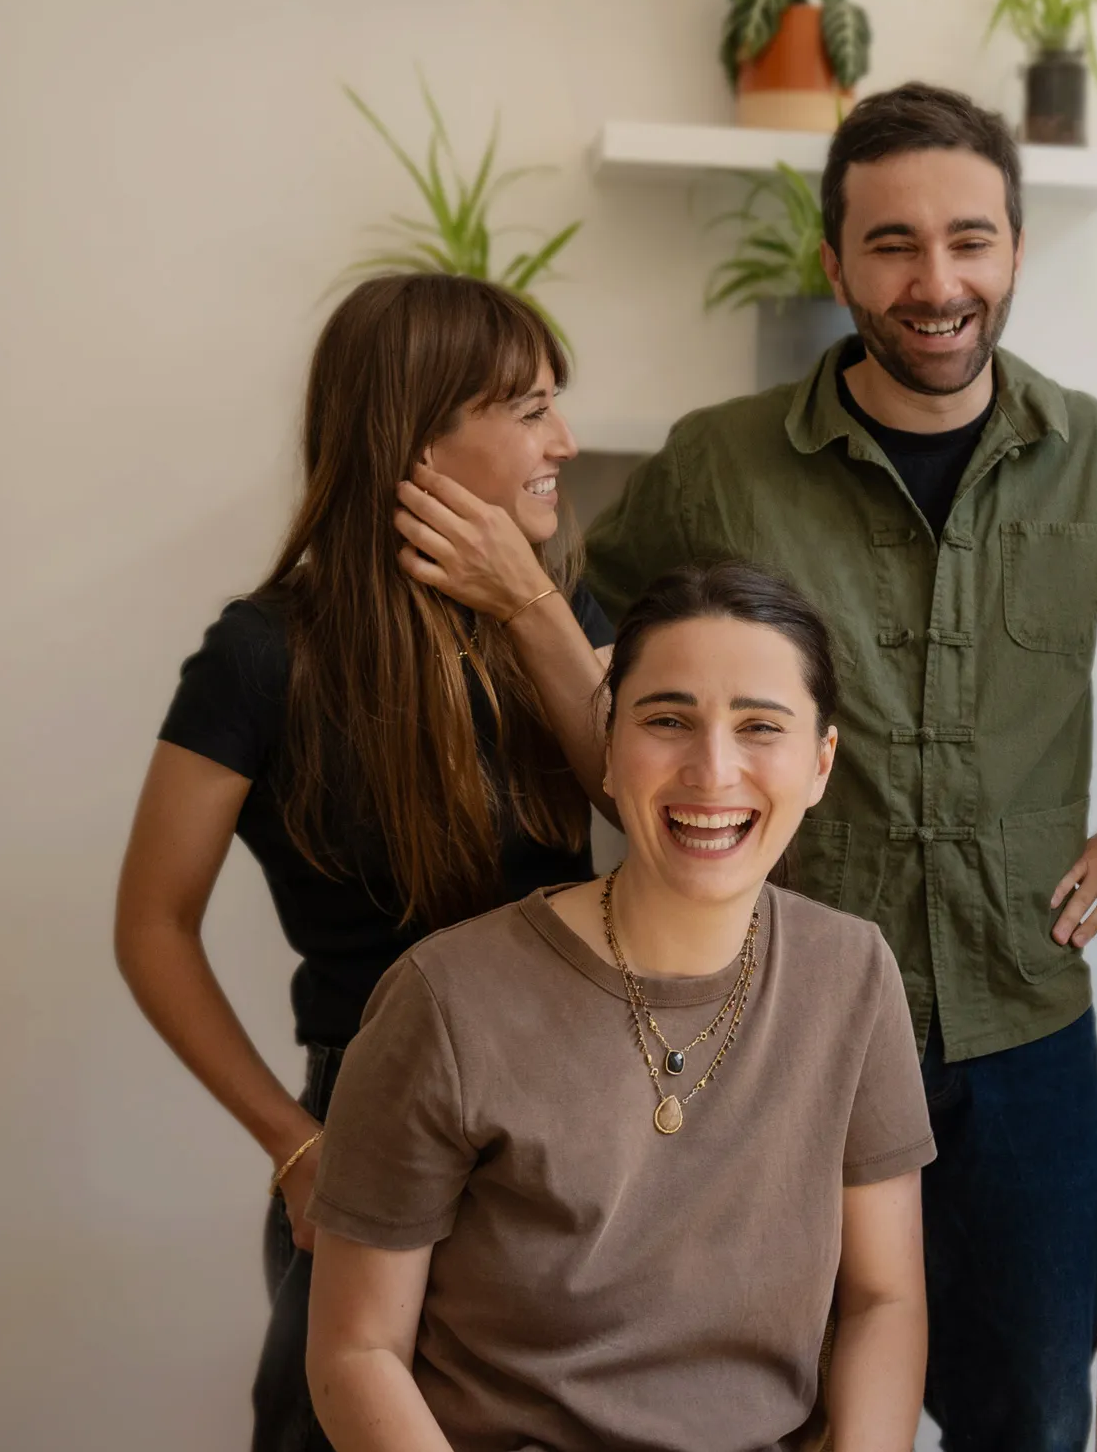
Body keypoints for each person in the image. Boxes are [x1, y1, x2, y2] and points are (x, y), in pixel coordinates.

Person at [584, 82, 1097, 1451]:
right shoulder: (720, 464)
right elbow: (597, 636)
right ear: (835, 263)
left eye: (970, 240)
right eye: (891, 244)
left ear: (1013, 250)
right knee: (770, 1402)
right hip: (774, 1024)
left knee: (1031, 1408)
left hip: (1024, 1032)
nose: (935, 281)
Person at [114, 273, 618, 1452]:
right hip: (366, 1122)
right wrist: (295, 1146)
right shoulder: (259, 657)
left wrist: (534, 607)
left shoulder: (562, 610)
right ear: (421, 437)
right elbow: (150, 924)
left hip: (563, 1121)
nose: (566, 440)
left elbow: (646, 804)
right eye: (531, 408)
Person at [303, 560, 934, 1452]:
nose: (713, 770)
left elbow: (886, 1298)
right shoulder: (445, 1000)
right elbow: (356, 1351)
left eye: (761, 727)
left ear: (821, 763)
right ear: (607, 741)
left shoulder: (852, 975)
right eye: (667, 720)